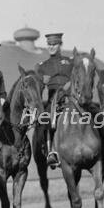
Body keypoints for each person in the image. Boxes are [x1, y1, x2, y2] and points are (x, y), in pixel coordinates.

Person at [35, 33, 72, 169]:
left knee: (92, 116)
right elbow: (37, 87)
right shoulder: (42, 66)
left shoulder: (70, 62)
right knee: (45, 120)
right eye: (49, 44)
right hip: (53, 101)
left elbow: (78, 78)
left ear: (60, 44)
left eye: (54, 44)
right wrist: (42, 82)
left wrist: (69, 85)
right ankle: (51, 152)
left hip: (70, 98)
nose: (51, 47)